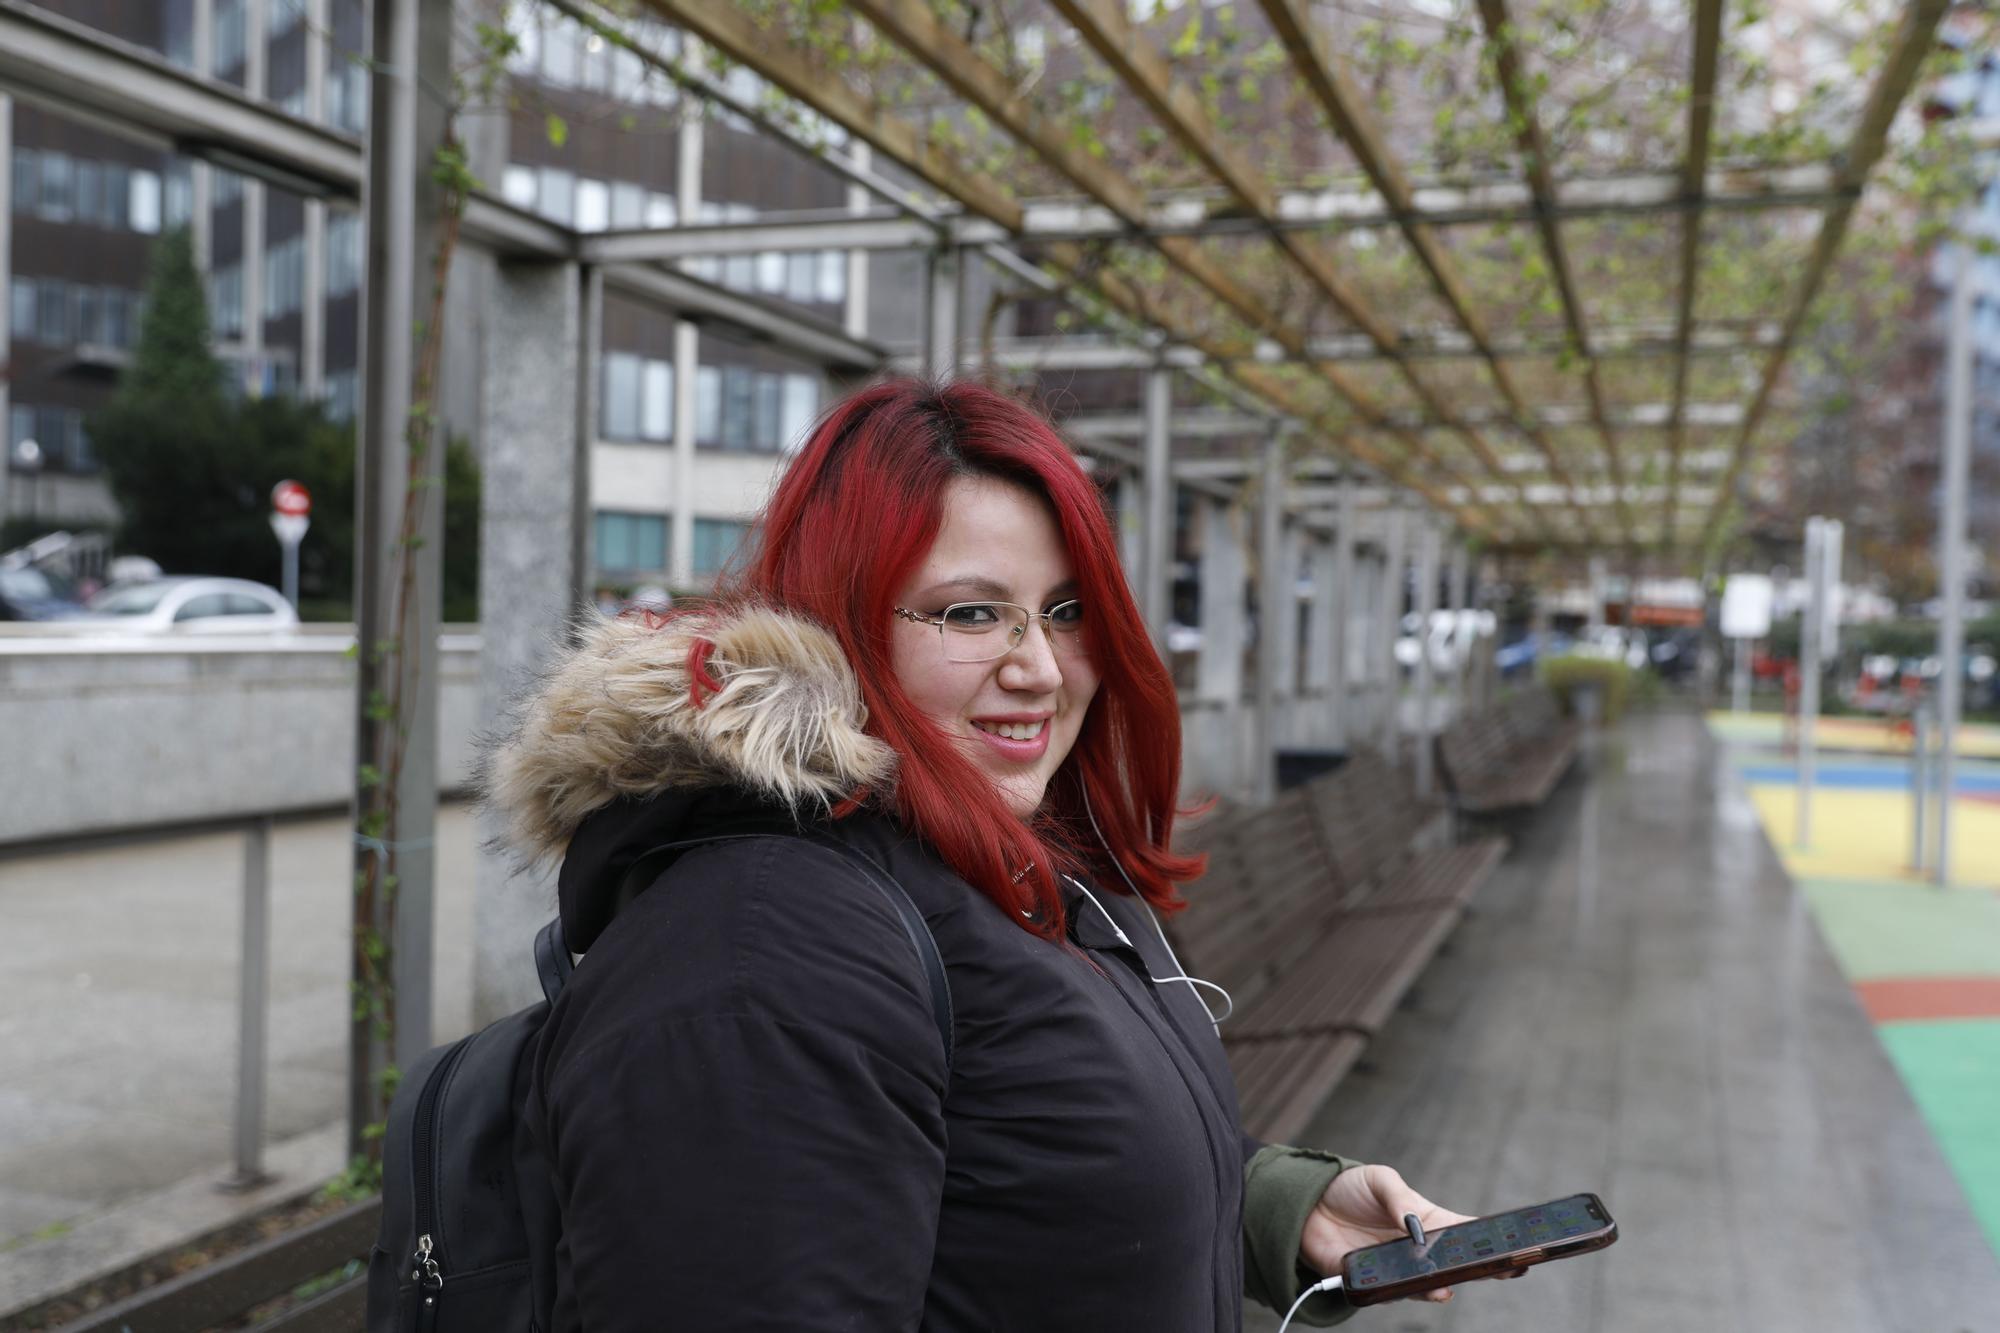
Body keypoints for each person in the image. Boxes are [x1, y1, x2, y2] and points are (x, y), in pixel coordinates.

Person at [488, 378, 1480, 1330]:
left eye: (1066, 611)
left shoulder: (987, 859)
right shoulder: (763, 951)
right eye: (970, 612)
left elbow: (1012, 1152)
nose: (1039, 668)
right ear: (843, 622)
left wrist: (1275, 1205)